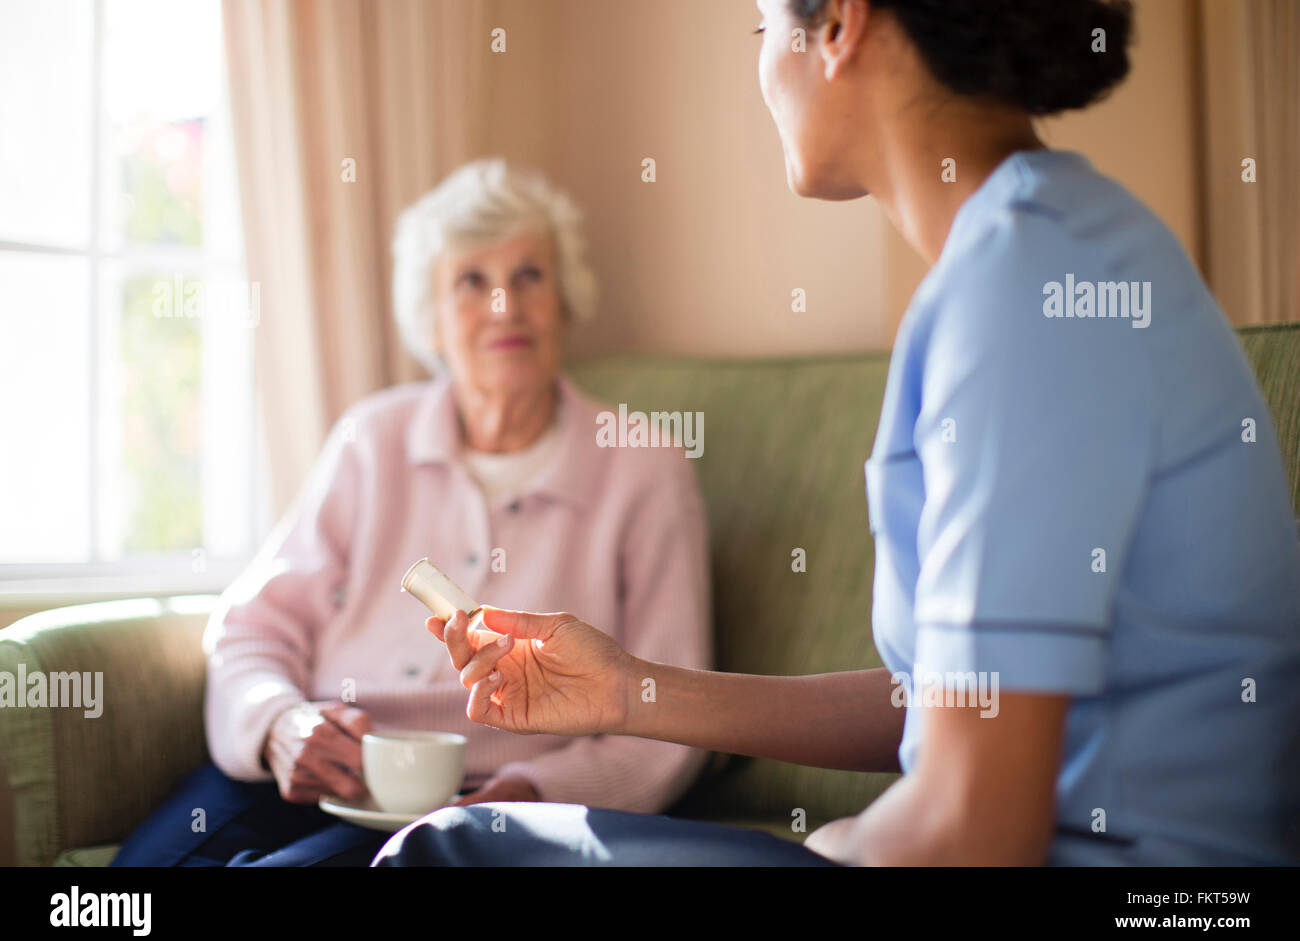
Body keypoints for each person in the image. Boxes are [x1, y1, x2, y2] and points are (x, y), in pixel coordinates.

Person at [373, 0, 1300, 867]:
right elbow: (953, 705)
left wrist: (835, 849)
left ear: (839, 27)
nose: (763, 68)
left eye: (761, 29)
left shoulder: (1023, 295)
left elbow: (976, 821)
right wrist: (627, 690)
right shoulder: (1048, 247)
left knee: (451, 847)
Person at [110, 159, 713, 867]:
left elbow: (672, 709)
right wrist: (279, 724)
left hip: (488, 804)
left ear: (566, 298)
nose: (504, 307)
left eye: (529, 276)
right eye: (471, 281)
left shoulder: (640, 465)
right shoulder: (373, 439)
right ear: (430, 316)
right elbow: (253, 627)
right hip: (312, 766)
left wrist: (527, 794)